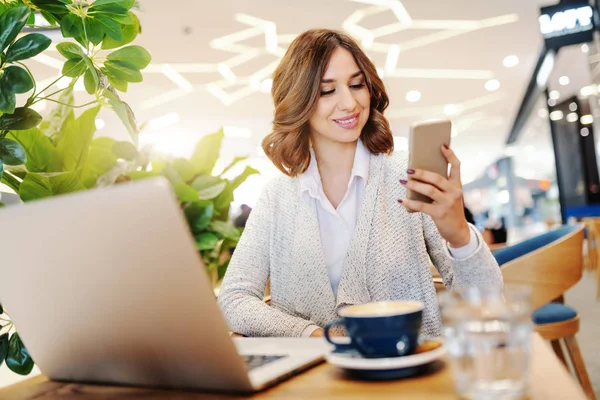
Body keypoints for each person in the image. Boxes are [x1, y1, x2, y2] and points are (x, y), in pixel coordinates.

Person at [218, 29, 502, 338]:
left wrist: (460, 236)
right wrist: (311, 335)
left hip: (409, 372)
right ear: (299, 100)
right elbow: (234, 299)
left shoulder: (407, 174)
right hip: (315, 379)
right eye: (328, 91)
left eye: (357, 85)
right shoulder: (277, 195)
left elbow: (486, 301)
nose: (349, 103)